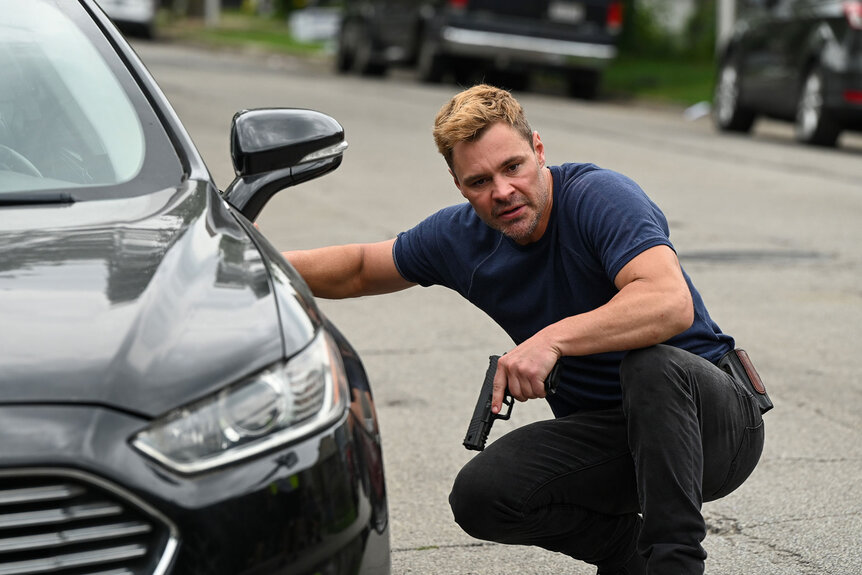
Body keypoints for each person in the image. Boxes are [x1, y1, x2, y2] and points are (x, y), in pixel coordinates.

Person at [284, 84, 766, 575]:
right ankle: (626, 556)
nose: (501, 192)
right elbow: (362, 268)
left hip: (715, 427)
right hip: (616, 438)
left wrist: (551, 340)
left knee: (652, 364)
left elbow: (668, 303)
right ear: (458, 185)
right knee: (483, 495)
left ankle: (673, 565)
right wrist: (243, 257)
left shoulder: (598, 197)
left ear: (538, 150)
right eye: (478, 181)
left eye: (513, 167)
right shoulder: (461, 239)